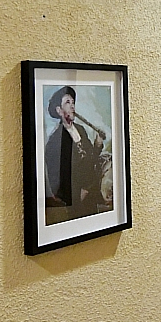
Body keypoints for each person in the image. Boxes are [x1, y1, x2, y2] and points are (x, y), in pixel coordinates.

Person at [44, 85, 107, 223]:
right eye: (68, 102)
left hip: (92, 192)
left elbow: (90, 159)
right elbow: (56, 178)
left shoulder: (81, 130)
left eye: (73, 102)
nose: (72, 106)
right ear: (59, 110)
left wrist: (97, 144)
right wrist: (77, 195)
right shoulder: (55, 141)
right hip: (77, 200)